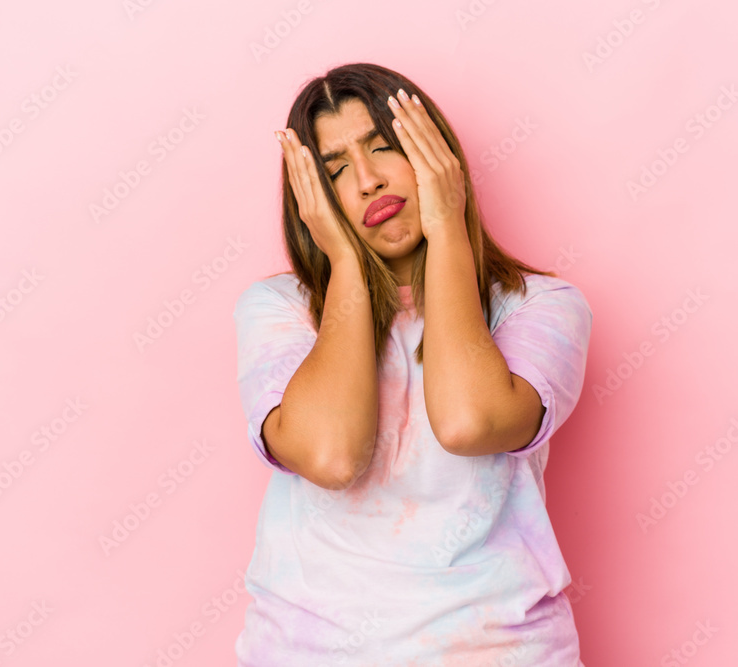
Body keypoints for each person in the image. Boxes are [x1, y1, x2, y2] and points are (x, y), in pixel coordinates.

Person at [233, 62, 592, 666]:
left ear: (437, 156)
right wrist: (345, 267)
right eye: (336, 170)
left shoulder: (543, 306)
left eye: (385, 147)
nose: (368, 181)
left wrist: (448, 226)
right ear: (312, 199)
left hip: (500, 649)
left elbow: (469, 423)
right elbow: (331, 455)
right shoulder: (278, 309)